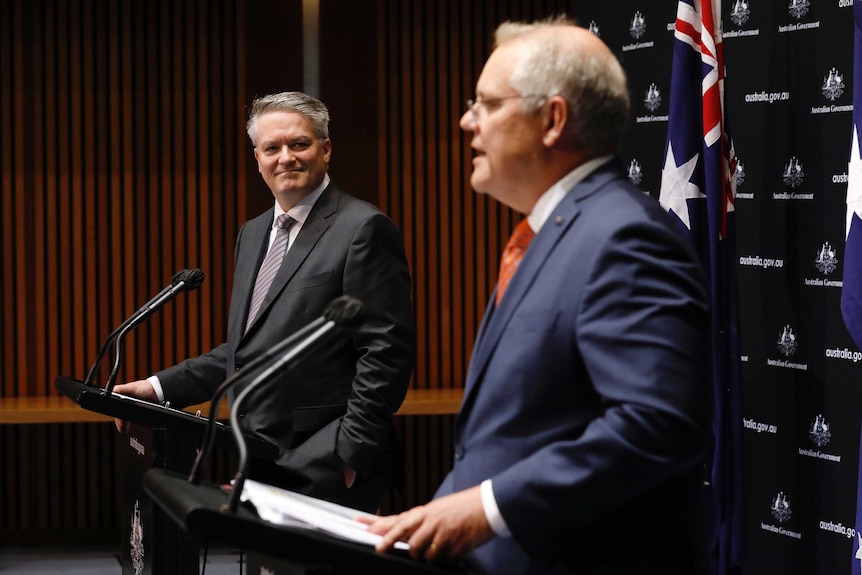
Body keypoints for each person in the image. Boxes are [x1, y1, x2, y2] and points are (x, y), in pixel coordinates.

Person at [359, 18, 711, 574]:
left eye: (486, 104)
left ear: (552, 119)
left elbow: (656, 424)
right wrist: (427, 518)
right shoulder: (551, 232)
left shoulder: (623, 236)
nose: (466, 121)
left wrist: (488, 507)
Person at [114, 91, 414, 513]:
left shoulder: (363, 227)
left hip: (328, 462)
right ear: (257, 158)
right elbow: (246, 354)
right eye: (272, 148)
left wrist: (349, 454)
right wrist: (158, 388)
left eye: (299, 144)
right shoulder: (253, 234)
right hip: (261, 456)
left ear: (325, 149)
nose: (285, 157)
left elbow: (386, 354)